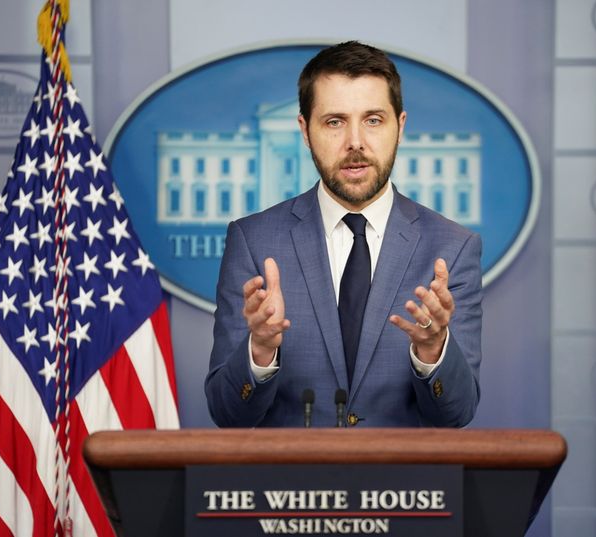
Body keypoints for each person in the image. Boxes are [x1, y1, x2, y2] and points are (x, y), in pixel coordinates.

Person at [205, 41, 482, 427]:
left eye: (373, 120)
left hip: (402, 485)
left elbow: (457, 413)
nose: (355, 142)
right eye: (334, 121)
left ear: (399, 127)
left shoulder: (453, 248)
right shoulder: (253, 241)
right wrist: (261, 350)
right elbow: (226, 413)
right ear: (305, 130)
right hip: (290, 485)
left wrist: (434, 350)